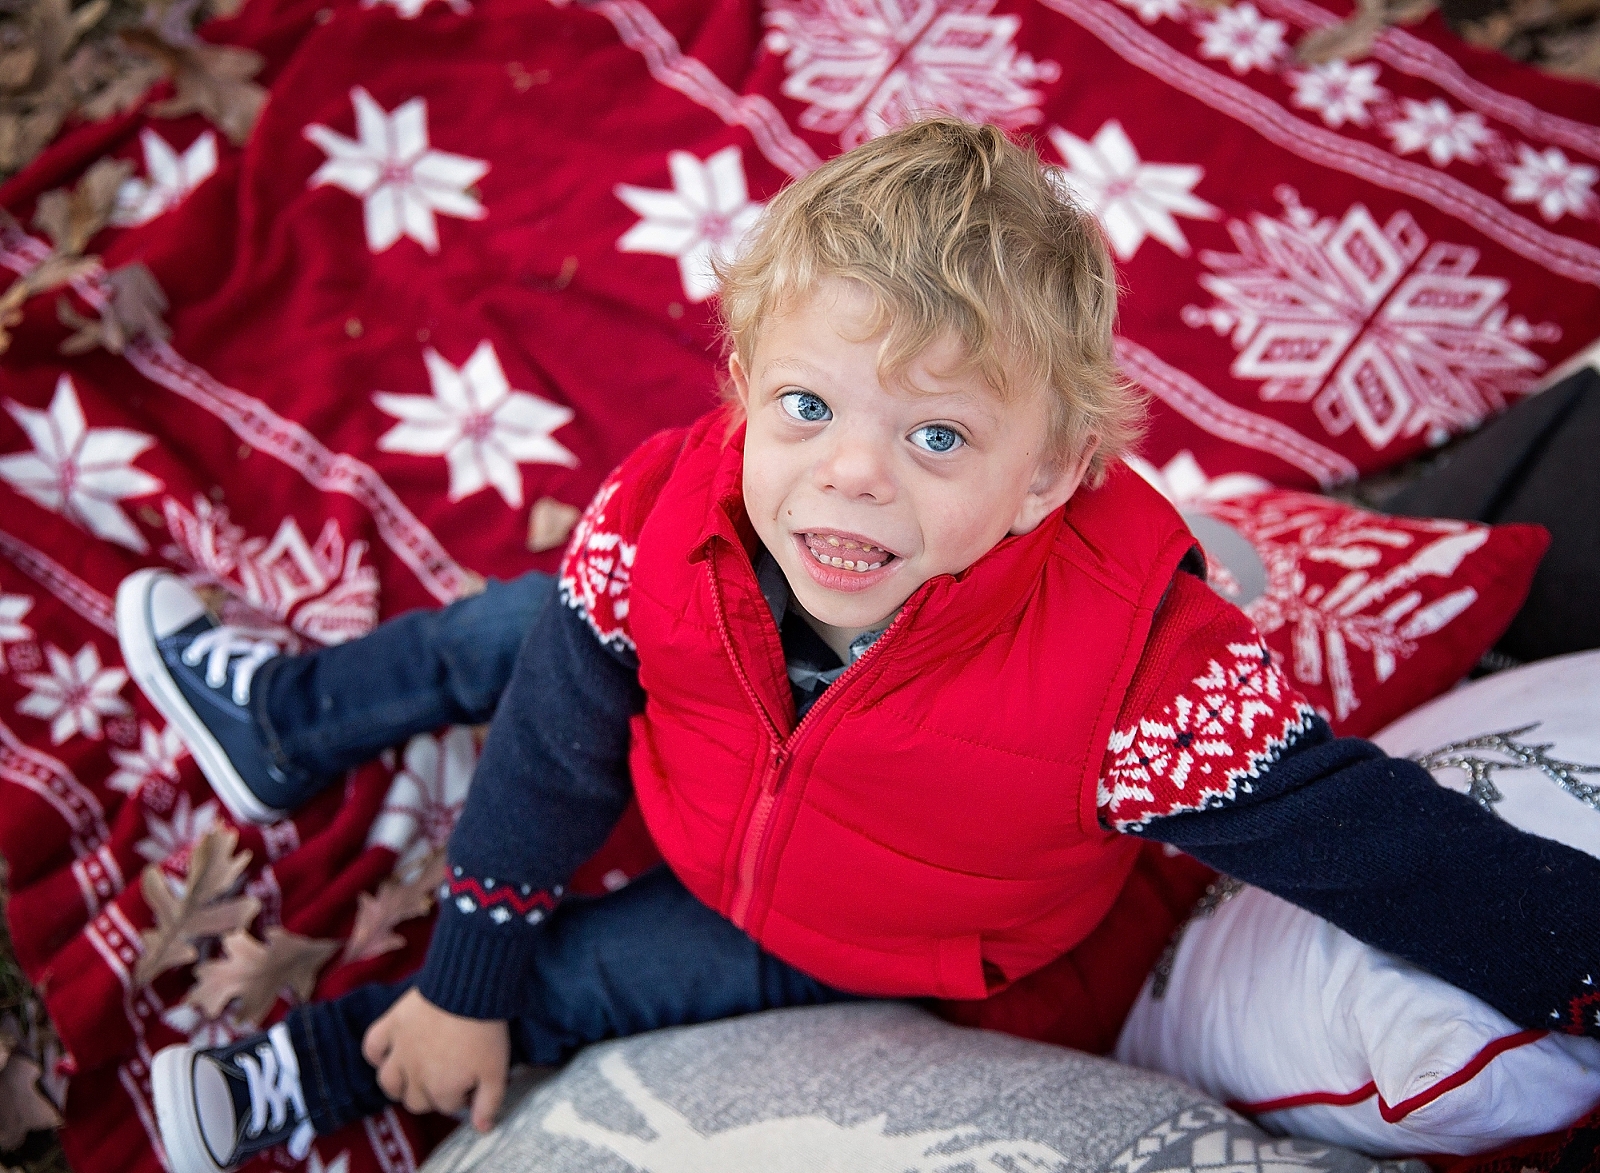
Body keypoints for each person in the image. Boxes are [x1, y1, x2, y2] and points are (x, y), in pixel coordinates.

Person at [117, 119, 1600, 1173]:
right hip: (705, 766)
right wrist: (470, 938)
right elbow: (556, 745)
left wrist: (1575, 955)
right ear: (747, 384)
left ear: (1052, 473)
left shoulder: (1138, 678)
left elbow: (1370, 835)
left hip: (865, 931)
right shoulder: (671, 506)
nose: (850, 473)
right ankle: (294, 715)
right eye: (809, 408)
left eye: (938, 433)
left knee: (603, 976)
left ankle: (325, 1061)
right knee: (524, 626)